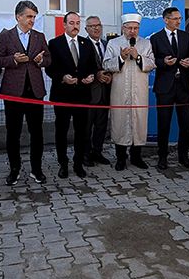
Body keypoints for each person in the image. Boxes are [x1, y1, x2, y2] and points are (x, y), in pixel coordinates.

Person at [0, 0, 51, 186]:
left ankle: (36, 169)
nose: (32, 20)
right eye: (28, 16)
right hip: (13, 93)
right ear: (18, 17)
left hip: (35, 92)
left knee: (37, 133)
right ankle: (14, 170)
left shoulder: (39, 37)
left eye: (34, 17)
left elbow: (48, 59)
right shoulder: (6, 36)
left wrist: (41, 60)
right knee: (13, 133)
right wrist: (13, 59)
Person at [46, 12, 98, 179]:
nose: (75, 26)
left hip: (82, 95)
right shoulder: (54, 44)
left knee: (81, 132)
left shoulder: (86, 43)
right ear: (64, 25)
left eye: (77, 22)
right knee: (61, 131)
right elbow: (50, 68)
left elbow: (92, 66)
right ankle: (63, 164)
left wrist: (91, 76)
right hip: (62, 95)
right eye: (72, 22)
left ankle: (78, 163)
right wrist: (62, 77)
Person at [104, 13, 156, 171]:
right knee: (120, 122)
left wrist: (138, 57)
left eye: (136, 28)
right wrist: (120, 57)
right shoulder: (113, 43)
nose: (133, 31)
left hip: (139, 91)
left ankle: (136, 156)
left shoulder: (146, 44)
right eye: (129, 28)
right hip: (120, 91)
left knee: (139, 121)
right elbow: (106, 65)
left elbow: (152, 63)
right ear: (123, 28)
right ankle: (120, 158)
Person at [150, 7, 189, 170]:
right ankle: (162, 158)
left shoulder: (185, 36)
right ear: (166, 19)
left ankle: (184, 157)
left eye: (179, 18)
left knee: (185, 124)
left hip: (184, 86)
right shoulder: (156, 38)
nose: (179, 21)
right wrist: (163, 62)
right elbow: (151, 60)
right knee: (164, 124)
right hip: (165, 87)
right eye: (175, 18)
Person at [84, 16, 112, 166]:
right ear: (86, 29)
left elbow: (111, 64)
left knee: (101, 126)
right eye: (92, 26)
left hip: (105, 93)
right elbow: (82, 67)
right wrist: (96, 75)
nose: (96, 28)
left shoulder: (108, 44)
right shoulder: (82, 44)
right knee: (87, 127)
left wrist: (110, 77)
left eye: (98, 25)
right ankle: (85, 154)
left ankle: (98, 152)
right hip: (89, 95)